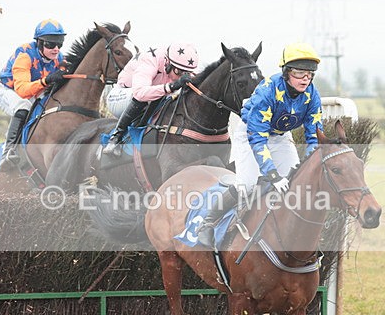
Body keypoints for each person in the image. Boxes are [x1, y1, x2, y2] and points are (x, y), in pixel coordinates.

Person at [197, 42, 323, 247]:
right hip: (251, 136)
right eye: (300, 73)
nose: (306, 78)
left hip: (281, 137)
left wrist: (312, 162)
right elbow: (257, 138)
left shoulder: (312, 95)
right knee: (247, 185)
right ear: (286, 72)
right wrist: (271, 173)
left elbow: (314, 135)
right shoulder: (267, 91)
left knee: (296, 184)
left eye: (310, 74)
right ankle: (208, 222)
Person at [102, 42, 199, 156]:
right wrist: (171, 86)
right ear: (167, 62)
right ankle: (115, 137)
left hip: (146, 100)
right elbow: (139, 93)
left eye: (185, 73)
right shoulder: (150, 60)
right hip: (119, 97)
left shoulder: (176, 65)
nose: (179, 77)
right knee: (154, 95)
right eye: (178, 72)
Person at [0, 18, 69, 164]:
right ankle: (8, 152)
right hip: (9, 91)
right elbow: (22, 90)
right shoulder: (25, 55)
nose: (56, 48)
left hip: (33, 92)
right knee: (23, 107)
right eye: (50, 44)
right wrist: (46, 81)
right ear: (39, 43)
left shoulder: (59, 57)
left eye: (59, 44)